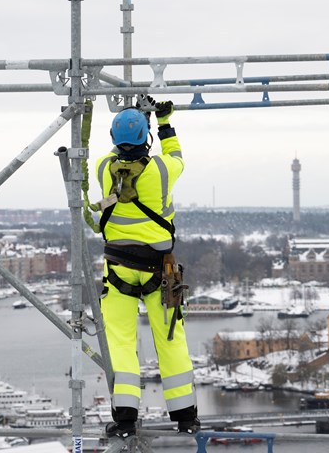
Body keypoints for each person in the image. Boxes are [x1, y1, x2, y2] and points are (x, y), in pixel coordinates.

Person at [95, 101, 199, 439]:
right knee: (170, 339)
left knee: (121, 342)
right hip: (160, 270)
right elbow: (176, 154)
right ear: (147, 136)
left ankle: (125, 419)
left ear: (112, 137)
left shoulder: (101, 168)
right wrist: (164, 121)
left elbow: (118, 157)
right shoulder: (162, 170)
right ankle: (185, 417)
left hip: (119, 269)